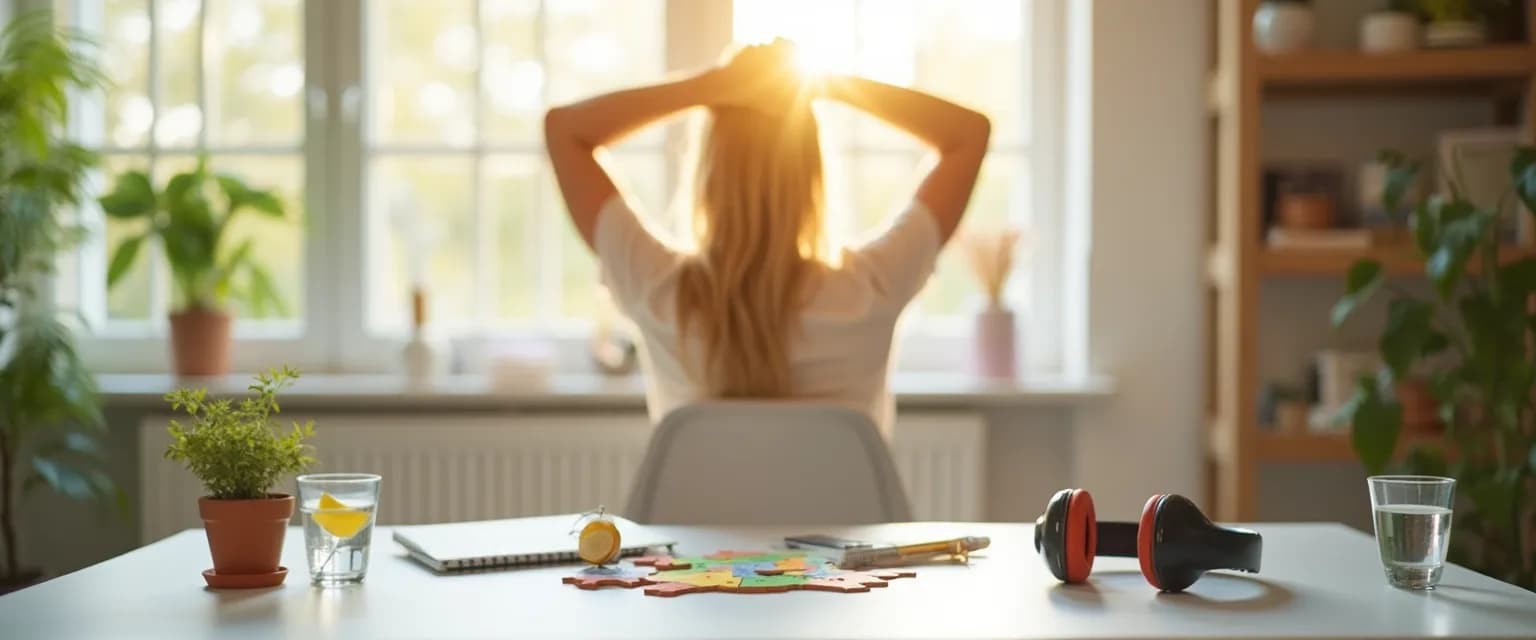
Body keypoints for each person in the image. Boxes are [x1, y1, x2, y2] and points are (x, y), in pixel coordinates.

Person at [544, 40, 990, 435]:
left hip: (697, 534)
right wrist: (821, 84)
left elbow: (564, 131)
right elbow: (969, 135)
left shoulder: (656, 286)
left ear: (708, 170)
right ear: (811, 174)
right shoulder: (872, 287)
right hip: (840, 533)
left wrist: (713, 87)